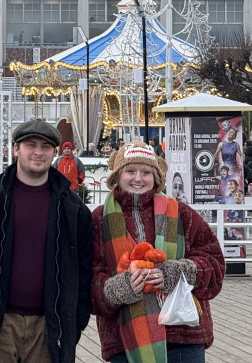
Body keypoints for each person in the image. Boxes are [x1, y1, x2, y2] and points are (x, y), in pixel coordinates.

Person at [0, 119, 93, 363]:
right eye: (30, 145)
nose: (38, 152)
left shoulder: (72, 208)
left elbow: (84, 267)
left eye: (46, 146)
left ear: (54, 152)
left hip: (49, 325)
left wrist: (75, 319)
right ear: (16, 149)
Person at [91, 141, 225, 363]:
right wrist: (117, 288)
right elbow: (87, 276)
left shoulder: (182, 214)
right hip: (125, 342)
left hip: (183, 338)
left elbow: (215, 265)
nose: (138, 178)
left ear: (156, 177)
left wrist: (176, 273)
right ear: (116, 176)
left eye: (146, 172)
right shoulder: (97, 220)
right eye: (130, 171)